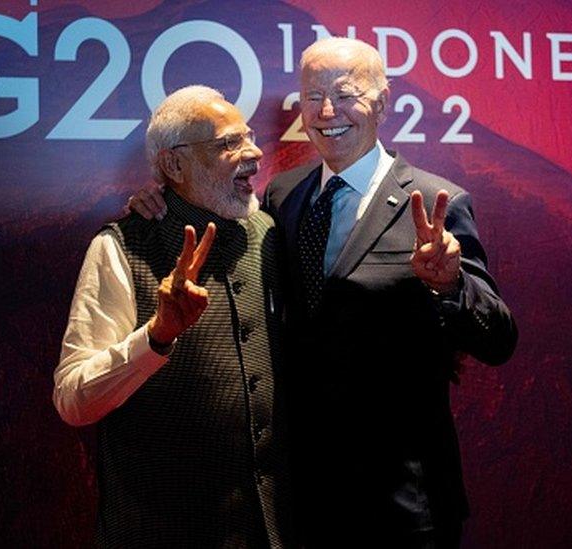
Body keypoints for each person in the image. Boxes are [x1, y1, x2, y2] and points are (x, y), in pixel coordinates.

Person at [131, 38, 517, 548]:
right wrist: (164, 201)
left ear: (382, 102)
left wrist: (452, 283)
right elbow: (221, 239)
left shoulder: (435, 202)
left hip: (405, 506)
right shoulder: (282, 194)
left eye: (346, 93)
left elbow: (499, 339)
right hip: (303, 504)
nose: (327, 111)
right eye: (313, 96)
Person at [54, 85, 293, 548]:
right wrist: (156, 337)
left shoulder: (266, 232)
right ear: (173, 165)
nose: (254, 153)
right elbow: (73, 400)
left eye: (248, 137)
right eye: (229, 144)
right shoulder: (120, 246)